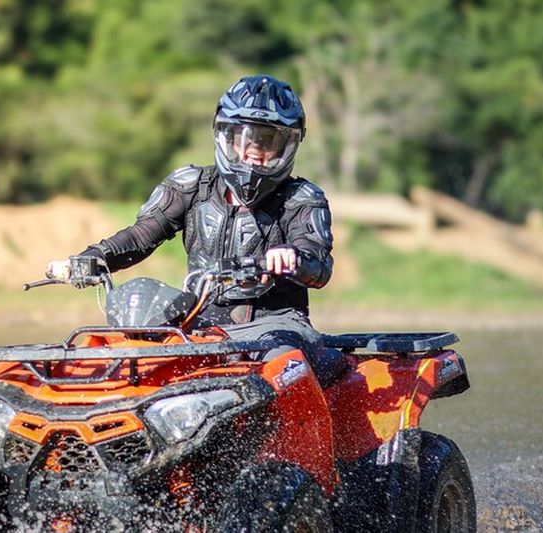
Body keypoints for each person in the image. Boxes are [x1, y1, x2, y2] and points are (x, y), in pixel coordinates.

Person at [46, 75, 333, 360]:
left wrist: (293, 257)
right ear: (226, 137)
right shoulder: (191, 186)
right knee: (130, 357)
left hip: (276, 325)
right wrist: (92, 258)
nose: (254, 152)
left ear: (289, 147)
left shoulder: (302, 198)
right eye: (246, 138)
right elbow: (140, 236)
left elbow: (319, 264)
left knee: (283, 363)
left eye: (269, 142)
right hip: (198, 322)